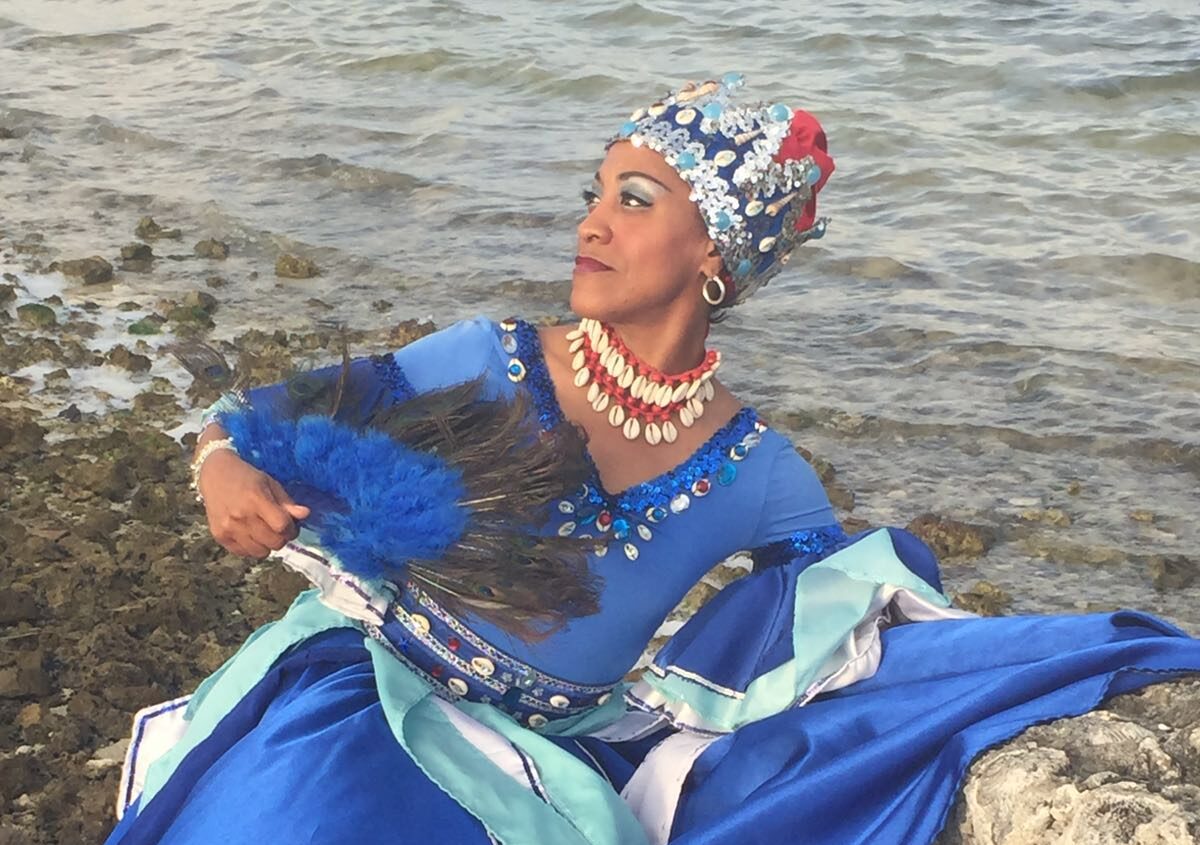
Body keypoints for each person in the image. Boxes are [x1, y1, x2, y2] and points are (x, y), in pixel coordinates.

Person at [106, 76, 1200, 845]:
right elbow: (256, 408)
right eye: (594, 194)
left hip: (562, 743)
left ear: (712, 254)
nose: (592, 223)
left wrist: (1038, 655)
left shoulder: (754, 465)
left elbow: (864, 620)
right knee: (317, 811)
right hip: (368, 687)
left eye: (634, 200)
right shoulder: (488, 358)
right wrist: (222, 468)